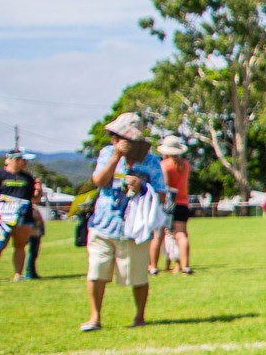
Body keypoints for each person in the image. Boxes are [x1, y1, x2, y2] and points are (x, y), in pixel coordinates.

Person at [83, 113, 169, 331]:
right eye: (115, 137)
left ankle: (139, 317)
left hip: (134, 228)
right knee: (96, 272)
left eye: (122, 137)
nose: (117, 141)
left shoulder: (150, 162)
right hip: (103, 224)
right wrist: (115, 158)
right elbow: (100, 182)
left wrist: (141, 187)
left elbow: (160, 195)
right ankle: (95, 317)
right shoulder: (106, 154)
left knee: (137, 276)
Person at [0, 149, 40, 284]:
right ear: (15, 160)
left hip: (23, 217)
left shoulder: (28, 178)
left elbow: (34, 200)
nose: (26, 163)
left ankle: (18, 274)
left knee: (20, 245)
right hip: (3, 217)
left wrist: (38, 192)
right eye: (23, 160)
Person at [156, 136, 193, 275]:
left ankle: (176, 264)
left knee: (170, 236)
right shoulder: (185, 165)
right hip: (183, 203)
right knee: (182, 235)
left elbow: (164, 186)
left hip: (171, 204)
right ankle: (185, 265)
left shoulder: (164, 165)